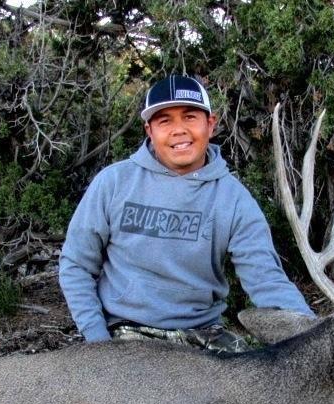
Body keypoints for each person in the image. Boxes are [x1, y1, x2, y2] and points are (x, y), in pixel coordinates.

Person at [59, 75, 314, 352]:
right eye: (164, 121)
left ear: (211, 124)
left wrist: (313, 335)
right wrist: (98, 344)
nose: (178, 130)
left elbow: (266, 280)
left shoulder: (234, 199)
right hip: (125, 331)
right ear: (149, 130)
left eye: (190, 117)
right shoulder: (114, 183)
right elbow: (76, 266)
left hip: (203, 335)